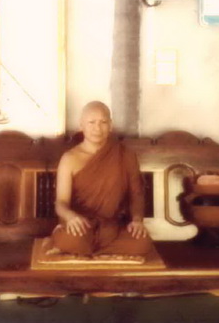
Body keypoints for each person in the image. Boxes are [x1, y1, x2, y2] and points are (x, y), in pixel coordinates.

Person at [50, 101, 153, 257]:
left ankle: (84, 251)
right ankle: (85, 248)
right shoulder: (70, 158)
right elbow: (61, 202)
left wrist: (137, 220)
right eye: (91, 122)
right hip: (81, 226)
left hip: (113, 227)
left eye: (103, 122)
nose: (97, 128)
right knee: (71, 240)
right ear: (81, 125)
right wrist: (71, 217)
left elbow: (136, 194)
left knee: (142, 243)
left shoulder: (125, 155)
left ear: (110, 125)